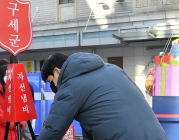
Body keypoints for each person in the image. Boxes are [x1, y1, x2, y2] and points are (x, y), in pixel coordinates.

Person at [39, 52, 168, 140]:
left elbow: (53, 130)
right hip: (157, 134)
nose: (55, 87)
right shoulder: (113, 69)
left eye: (52, 82)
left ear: (57, 71)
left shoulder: (69, 86)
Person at [0, 65, 25, 139]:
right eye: (7, 75)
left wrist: (20, 124)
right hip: (0, 135)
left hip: (14, 134)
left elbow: (22, 110)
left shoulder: (15, 91)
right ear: (1, 76)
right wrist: (13, 124)